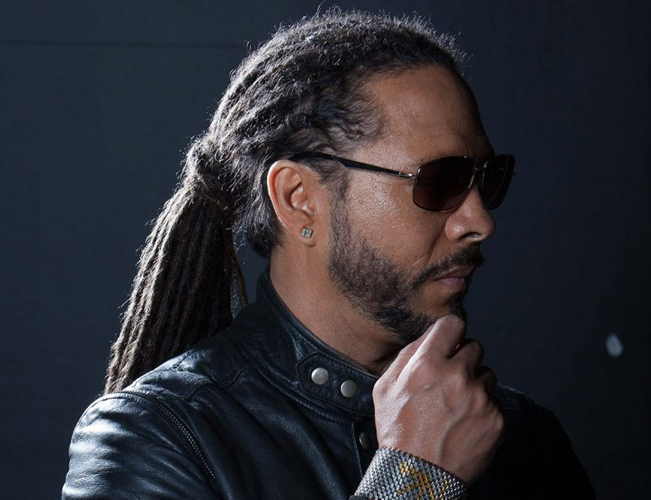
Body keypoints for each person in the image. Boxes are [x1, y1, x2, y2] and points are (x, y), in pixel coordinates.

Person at [63, 10, 595, 499]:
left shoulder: (523, 436)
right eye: (440, 182)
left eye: (487, 178)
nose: (480, 221)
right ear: (299, 199)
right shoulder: (156, 441)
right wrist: (415, 481)